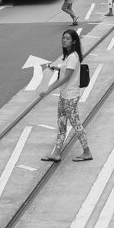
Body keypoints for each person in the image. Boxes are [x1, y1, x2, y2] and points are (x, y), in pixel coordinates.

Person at [38, 28, 92, 162]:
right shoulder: (69, 56)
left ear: (74, 42)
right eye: (63, 38)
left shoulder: (73, 57)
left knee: (76, 124)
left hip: (70, 97)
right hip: (64, 95)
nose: (64, 40)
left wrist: (48, 90)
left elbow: (66, 77)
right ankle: (56, 153)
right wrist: (58, 68)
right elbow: (67, 72)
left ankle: (87, 152)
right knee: (61, 125)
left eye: (67, 38)